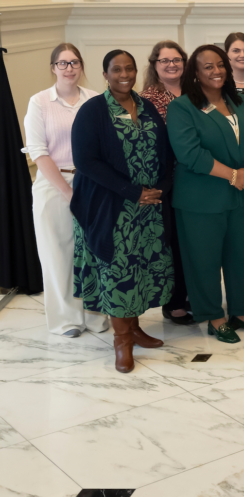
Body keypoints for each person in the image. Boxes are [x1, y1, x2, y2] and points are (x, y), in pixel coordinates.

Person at [70, 50, 175, 373]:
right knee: (118, 271)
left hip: (148, 210)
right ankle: (121, 340)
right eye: (117, 70)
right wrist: (132, 192)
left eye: (129, 68)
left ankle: (134, 327)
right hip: (111, 209)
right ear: (105, 75)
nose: (124, 74)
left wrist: (161, 187)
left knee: (141, 268)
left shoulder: (147, 108)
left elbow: (166, 151)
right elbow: (86, 162)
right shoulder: (93, 111)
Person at [166, 45, 244, 344]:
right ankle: (214, 316)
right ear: (195, 74)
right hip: (201, 200)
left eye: (220, 65)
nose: (217, 71)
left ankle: (242, 313)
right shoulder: (183, 107)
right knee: (204, 261)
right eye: (208, 67)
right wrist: (233, 175)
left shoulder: (241, 102)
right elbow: (190, 154)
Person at [23, 43, 107, 337]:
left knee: (93, 252)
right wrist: (70, 194)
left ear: (81, 66)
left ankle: (96, 316)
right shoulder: (40, 102)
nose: (69, 68)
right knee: (57, 253)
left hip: (93, 183)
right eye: (62, 63)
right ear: (53, 68)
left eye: (74, 62)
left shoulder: (96, 100)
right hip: (53, 184)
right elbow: (38, 152)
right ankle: (67, 321)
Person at [140, 40, 194, 326]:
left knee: (193, 242)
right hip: (167, 182)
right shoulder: (146, 99)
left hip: (197, 178)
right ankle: (174, 302)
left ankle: (192, 296)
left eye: (177, 60)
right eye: (165, 60)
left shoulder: (196, 94)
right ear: (155, 65)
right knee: (172, 244)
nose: (171, 65)